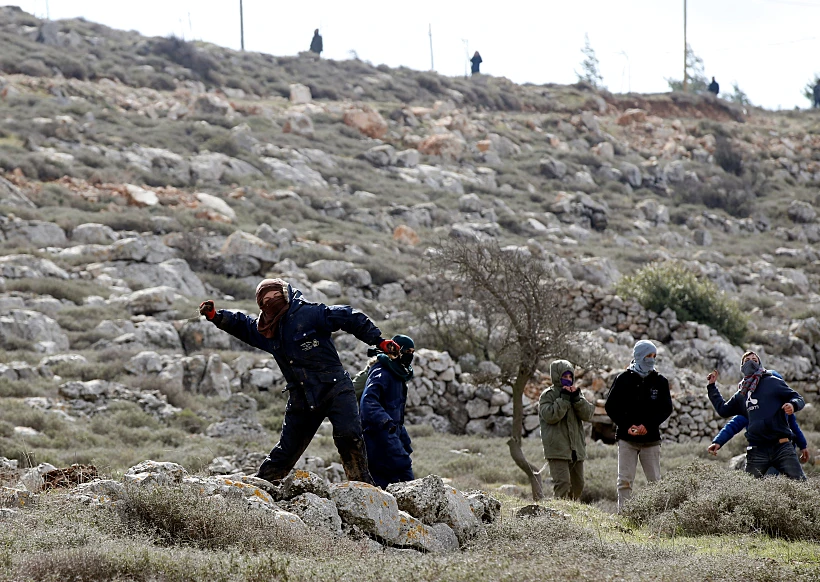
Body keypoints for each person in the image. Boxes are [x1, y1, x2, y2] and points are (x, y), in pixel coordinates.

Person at [199, 278, 400, 485]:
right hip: (302, 397)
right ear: (260, 306)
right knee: (286, 451)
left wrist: (379, 341)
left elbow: (349, 316)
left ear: (286, 294)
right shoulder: (266, 331)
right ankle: (260, 490)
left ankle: (363, 489)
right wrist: (215, 316)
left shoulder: (310, 313)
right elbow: (242, 325)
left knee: (350, 438)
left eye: (275, 295)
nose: (271, 301)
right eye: (265, 299)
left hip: (336, 389)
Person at [707, 350, 806, 480]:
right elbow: (724, 411)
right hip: (757, 451)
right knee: (750, 491)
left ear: (760, 364)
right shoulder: (742, 394)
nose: (751, 362)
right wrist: (712, 387)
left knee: (800, 484)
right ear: (742, 367)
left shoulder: (772, 381)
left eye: (755, 360)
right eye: (747, 360)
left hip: (782, 447)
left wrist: (793, 405)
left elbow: (798, 398)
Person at [605, 340, 673, 511]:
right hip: (627, 439)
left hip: (651, 440)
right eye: (647, 356)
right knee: (625, 481)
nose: (651, 359)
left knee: (655, 481)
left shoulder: (660, 381)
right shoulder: (623, 379)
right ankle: (625, 516)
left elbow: (666, 408)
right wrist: (627, 425)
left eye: (654, 356)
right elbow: (611, 406)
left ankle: (658, 517)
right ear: (638, 356)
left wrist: (647, 426)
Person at [360, 334, 416, 488]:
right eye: (408, 351)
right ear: (399, 351)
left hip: (390, 433)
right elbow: (368, 402)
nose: (410, 355)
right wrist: (387, 423)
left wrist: (402, 436)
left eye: (413, 352)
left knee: (390, 477)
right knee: (402, 470)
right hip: (378, 435)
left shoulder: (397, 374)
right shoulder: (382, 372)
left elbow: (395, 410)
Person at [538, 360, 595, 500]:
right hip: (557, 449)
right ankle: (559, 515)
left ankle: (572, 513)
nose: (568, 380)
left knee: (578, 484)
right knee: (562, 484)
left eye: (570, 377)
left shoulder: (576, 393)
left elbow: (588, 414)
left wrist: (576, 399)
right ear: (556, 376)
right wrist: (563, 399)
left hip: (576, 449)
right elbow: (550, 416)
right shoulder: (548, 395)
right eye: (565, 376)